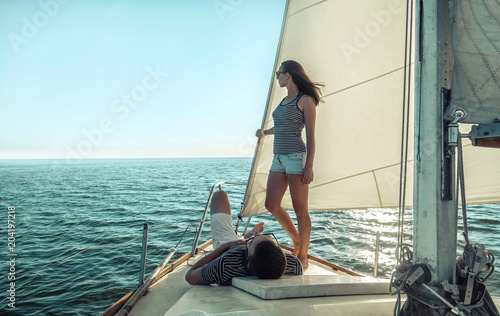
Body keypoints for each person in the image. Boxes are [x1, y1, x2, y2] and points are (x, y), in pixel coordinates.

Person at [255, 60, 323, 270]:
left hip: (296, 157)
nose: (277, 77)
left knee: (300, 210)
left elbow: (310, 134)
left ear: (288, 75)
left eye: (278, 73)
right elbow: (282, 127)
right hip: (279, 159)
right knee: (271, 204)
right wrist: (265, 132)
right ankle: (296, 241)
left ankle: (303, 256)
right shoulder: (285, 100)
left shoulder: (305, 100)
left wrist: (309, 166)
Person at [185, 190, 303, 285]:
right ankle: (249, 235)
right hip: (248, 250)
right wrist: (251, 239)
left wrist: (225, 247)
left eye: (251, 241)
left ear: (248, 264)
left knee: (219, 195)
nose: (260, 235)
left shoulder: (226, 265)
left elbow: (190, 276)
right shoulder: (294, 265)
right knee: (246, 241)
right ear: (283, 257)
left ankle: (248, 236)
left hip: (229, 246)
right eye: (268, 238)